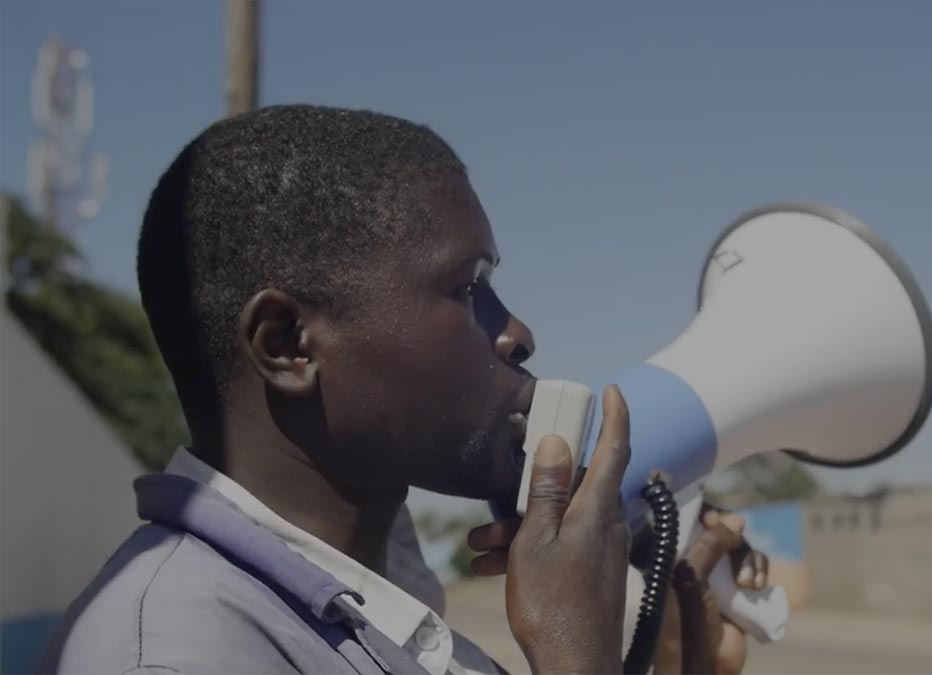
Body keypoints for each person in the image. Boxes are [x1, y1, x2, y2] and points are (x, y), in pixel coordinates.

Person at [39, 104, 769, 675]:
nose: (517, 331)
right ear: (288, 345)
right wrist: (576, 657)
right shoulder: (171, 654)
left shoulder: (383, 600)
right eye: (467, 286)